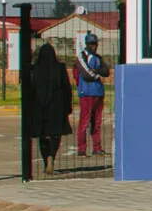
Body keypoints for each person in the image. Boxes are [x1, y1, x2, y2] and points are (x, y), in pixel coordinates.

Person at [24, 42, 73, 174]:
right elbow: (67, 88)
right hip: (57, 107)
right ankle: (51, 156)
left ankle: (46, 160)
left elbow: (29, 91)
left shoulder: (34, 69)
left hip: (39, 108)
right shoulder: (60, 68)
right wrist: (68, 106)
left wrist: (29, 109)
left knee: (42, 135)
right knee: (55, 134)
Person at [75, 31, 107, 155]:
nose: (94, 46)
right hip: (86, 93)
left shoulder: (98, 58)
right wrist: (96, 74)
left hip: (98, 92)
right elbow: (86, 74)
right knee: (84, 121)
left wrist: (97, 70)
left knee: (97, 122)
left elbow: (106, 71)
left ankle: (97, 147)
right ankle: (82, 148)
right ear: (87, 44)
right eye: (92, 44)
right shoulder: (82, 56)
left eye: (95, 44)